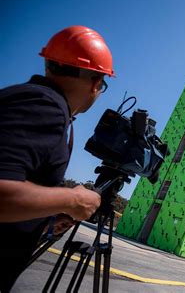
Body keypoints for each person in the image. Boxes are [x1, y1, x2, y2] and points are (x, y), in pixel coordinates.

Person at [0, 25, 115, 291]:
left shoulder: (26, 98)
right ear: (97, 83)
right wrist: (73, 199)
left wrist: (43, 217)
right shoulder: (45, 106)